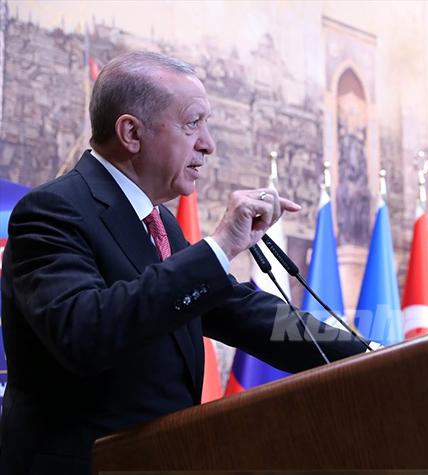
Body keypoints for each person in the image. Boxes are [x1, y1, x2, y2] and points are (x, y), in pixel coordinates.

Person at [0, 51, 369, 475]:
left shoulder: (159, 222)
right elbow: (86, 332)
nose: (208, 143)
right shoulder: (52, 211)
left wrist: (369, 354)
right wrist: (219, 247)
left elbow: (241, 312)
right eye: (193, 123)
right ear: (131, 133)